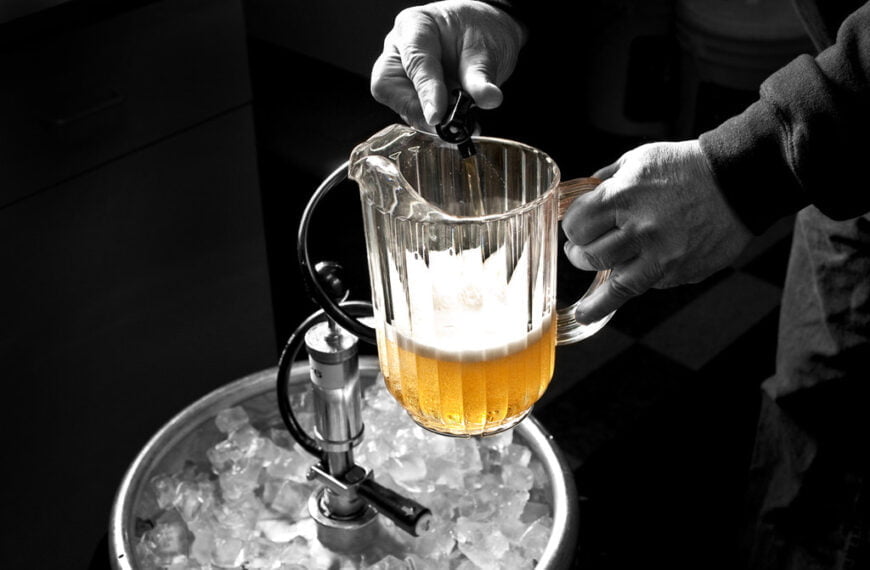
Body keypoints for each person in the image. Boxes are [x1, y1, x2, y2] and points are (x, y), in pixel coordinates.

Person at [370, 0, 870, 568]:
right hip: (854, 153)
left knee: (847, 476)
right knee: (810, 419)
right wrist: (499, 6)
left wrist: (755, 160)